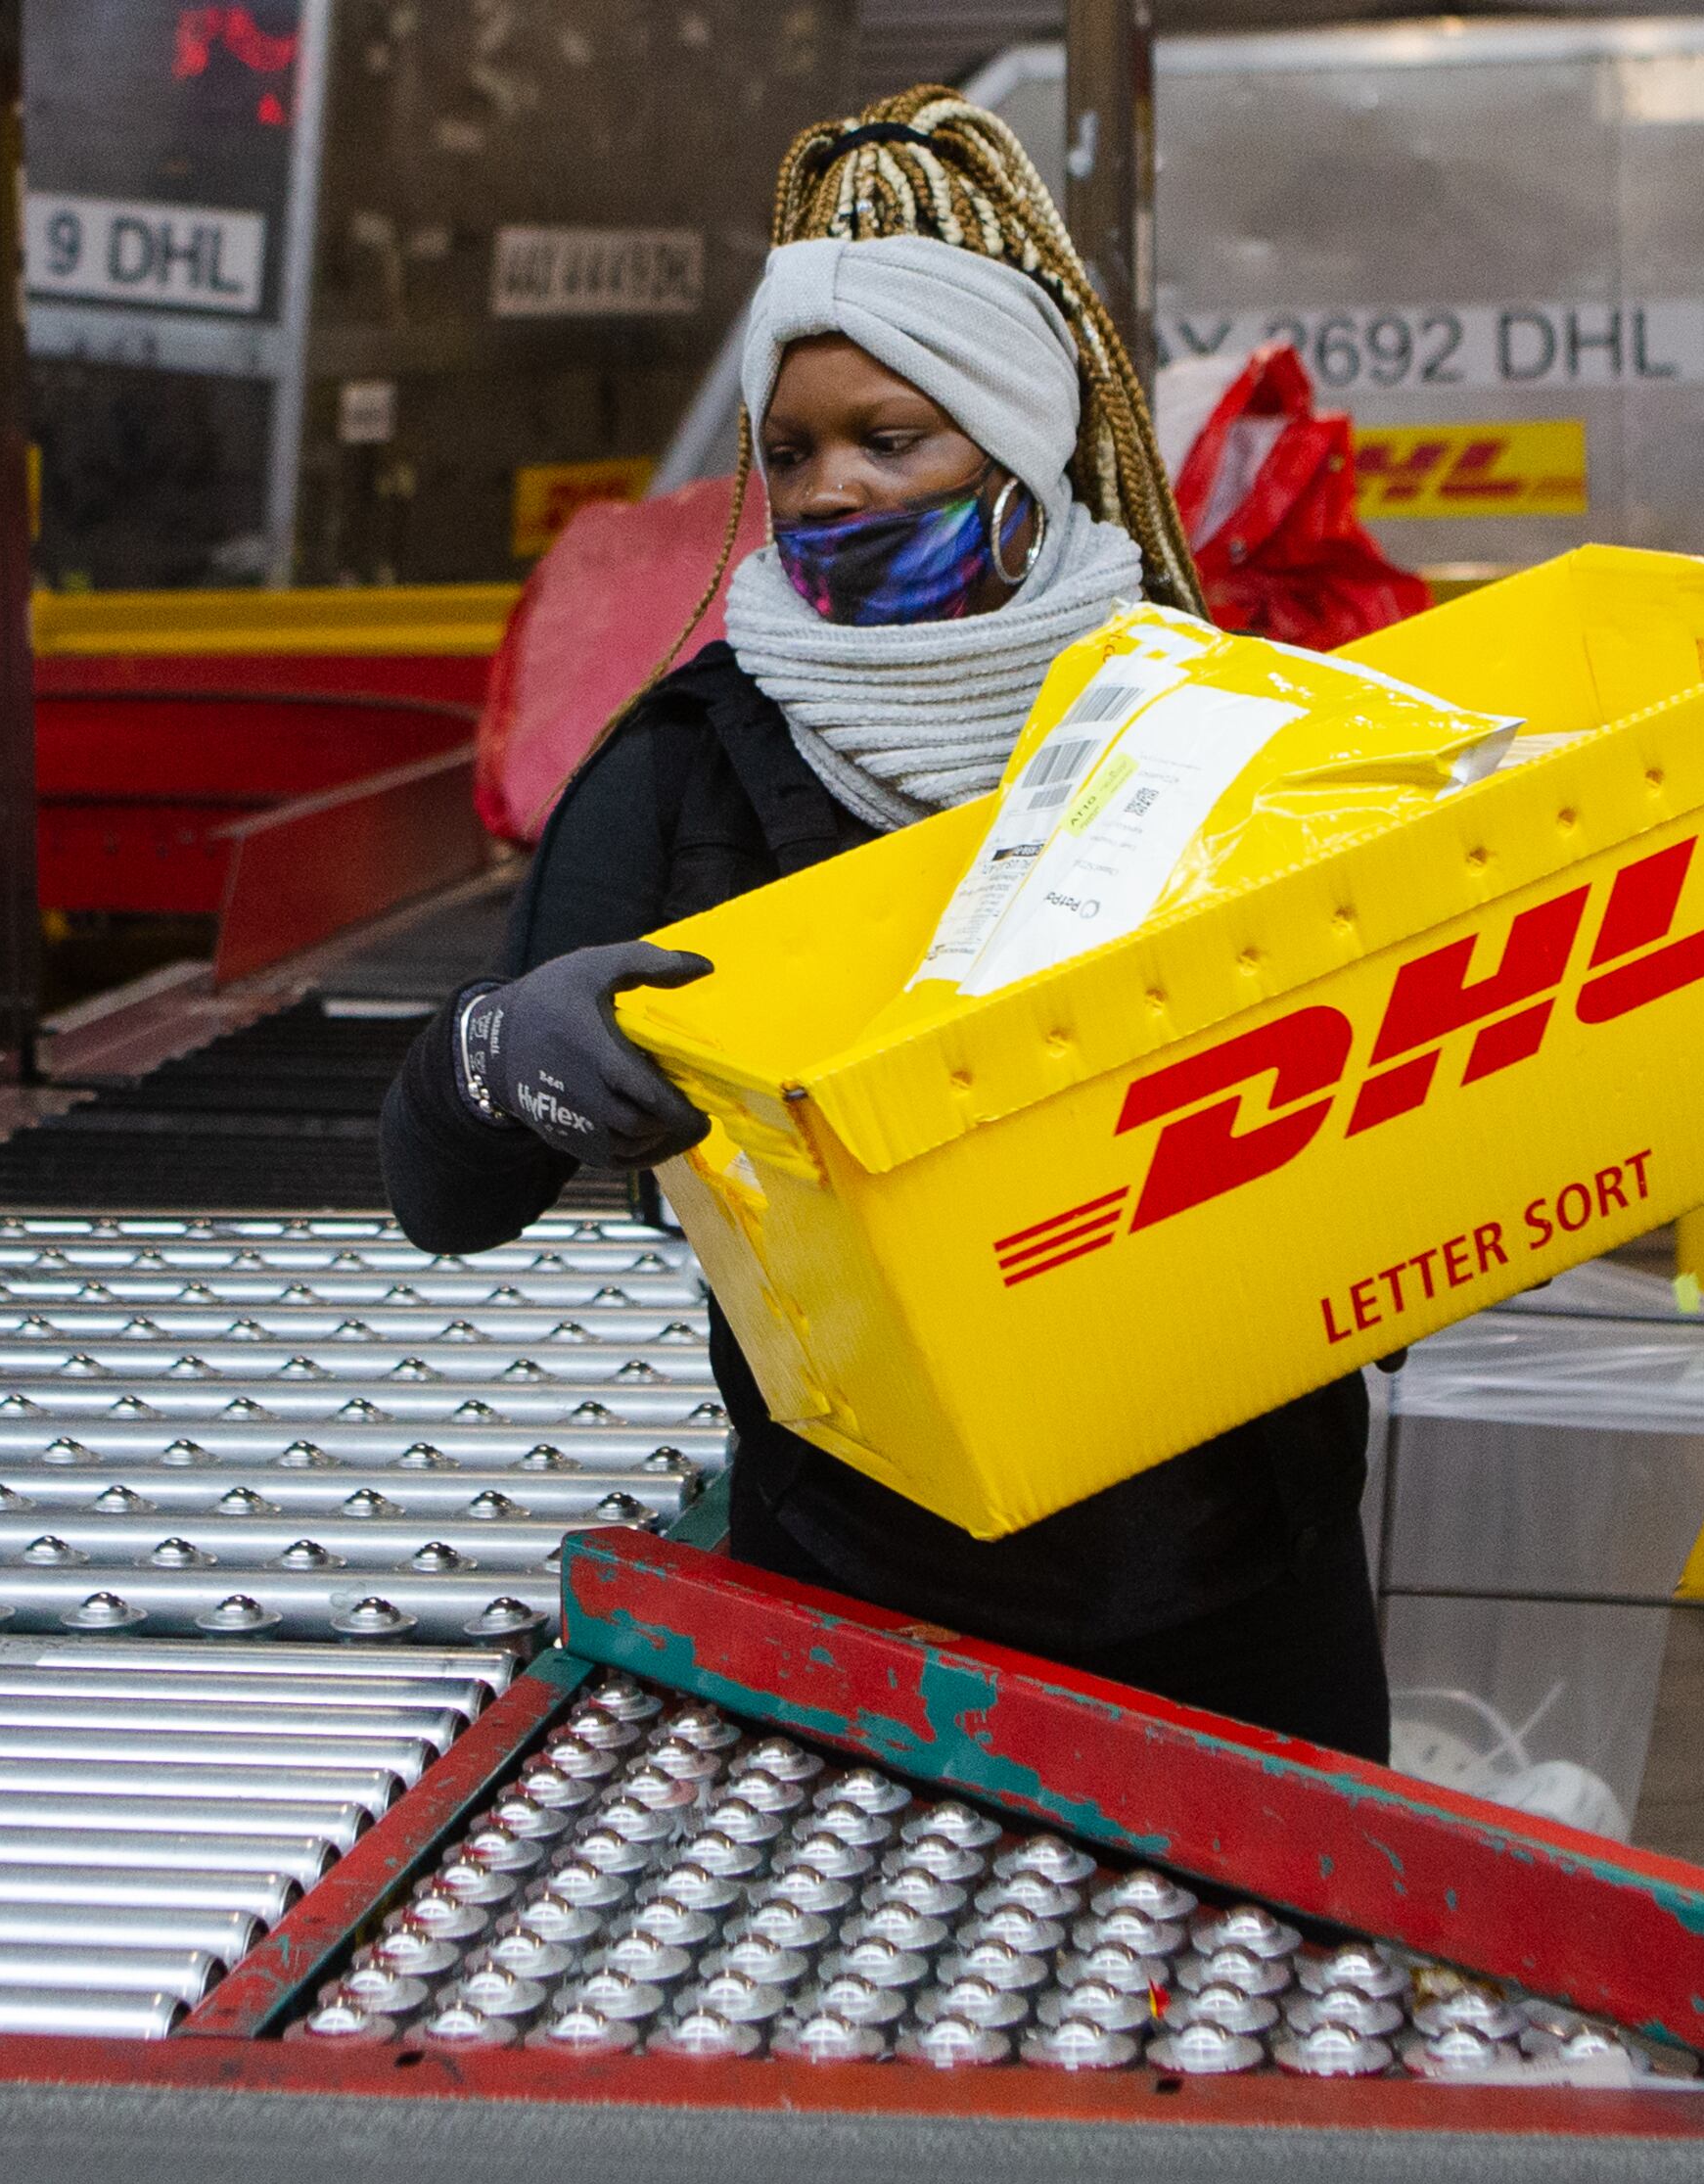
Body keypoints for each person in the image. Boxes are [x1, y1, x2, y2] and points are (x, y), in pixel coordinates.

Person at [380, 93, 1389, 1759]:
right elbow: (441, 1194)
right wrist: (495, 1062)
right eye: (791, 453)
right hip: (863, 1621)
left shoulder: (1202, 728)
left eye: (893, 441)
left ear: (1015, 444)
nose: (833, 491)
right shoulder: (686, 771)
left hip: (1245, 1594)